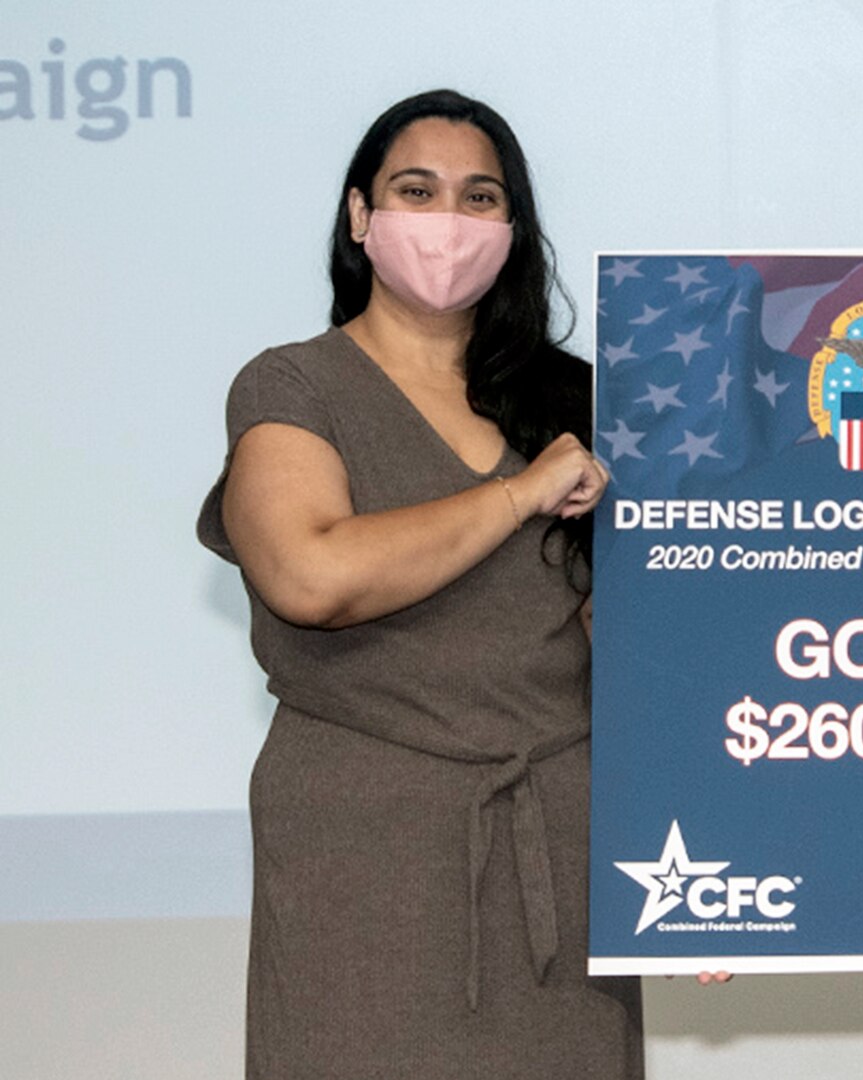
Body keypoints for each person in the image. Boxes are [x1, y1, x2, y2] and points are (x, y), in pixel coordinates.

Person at [197, 89, 638, 1078]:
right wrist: (519, 495)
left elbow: (634, 646)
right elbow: (309, 574)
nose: (447, 219)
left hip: (561, 842)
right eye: (416, 189)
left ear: (513, 229)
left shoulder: (574, 402)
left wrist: (713, 865)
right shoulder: (292, 387)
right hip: (367, 845)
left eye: (479, 197)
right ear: (360, 215)